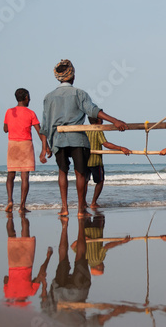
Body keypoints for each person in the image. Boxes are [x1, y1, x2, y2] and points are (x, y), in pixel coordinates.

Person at [39, 59, 128, 216]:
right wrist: (115, 121)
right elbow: (92, 111)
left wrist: (44, 147)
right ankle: (81, 208)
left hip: (58, 139)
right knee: (80, 173)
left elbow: (45, 125)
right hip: (77, 139)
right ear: (72, 76)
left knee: (62, 172)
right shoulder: (78, 93)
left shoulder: (49, 97)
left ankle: (64, 207)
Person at [4, 88, 49, 213]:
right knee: (25, 177)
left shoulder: (9, 112)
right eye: (29, 97)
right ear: (26, 98)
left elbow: (5, 129)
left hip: (12, 144)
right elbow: (39, 131)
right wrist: (46, 147)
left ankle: (10, 200)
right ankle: (22, 206)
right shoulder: (30, 113)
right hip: (25, 145)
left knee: (10, 175)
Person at [85, 116, 131, 208]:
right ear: (98, 120)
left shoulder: (85, 130)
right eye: (101, 118)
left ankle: (83, 202)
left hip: (84, 160)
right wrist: (120, 148)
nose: (102, 120)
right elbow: (105, 143)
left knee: (84, 181)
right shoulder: (98, 130)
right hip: (95, 161)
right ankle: (93, 202)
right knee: (100, 181)